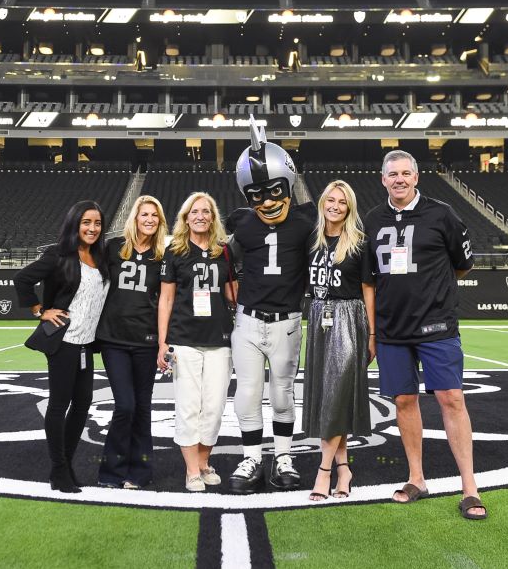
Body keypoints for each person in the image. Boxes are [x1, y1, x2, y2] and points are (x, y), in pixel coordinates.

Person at [362, 150, 487, 520]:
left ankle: (470, 488)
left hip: (435, 326)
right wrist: (372, 331)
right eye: (392, 174)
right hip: (392, 328)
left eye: (405, 173)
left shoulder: (442, 213)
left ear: (416, 177)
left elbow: (462, 265)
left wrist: (433, 294)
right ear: (383, 180)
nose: (399, 179)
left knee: (451, 398)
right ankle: (417, 477)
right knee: (403, 401)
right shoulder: (372, 219)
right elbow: (368, 279)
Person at [226, 116, 317, 494]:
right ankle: (251, 457)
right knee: (247, 392)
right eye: (256, 195)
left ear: (290, 184)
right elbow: (222, 263)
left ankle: (283, 456)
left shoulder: (306, 222)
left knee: (282, 392)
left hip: (288, 321)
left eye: (274, 190)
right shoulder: (242, 225)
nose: (266, 201)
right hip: (247, 322)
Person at [13, 200, 110, 493]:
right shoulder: (58, 255)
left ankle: (66, 464)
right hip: (64, 342)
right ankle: (58, 469)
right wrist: (40, 309)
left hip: (86, 344)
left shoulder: (101, 257)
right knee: (59, 405)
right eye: (86, 223)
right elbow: (22, 279)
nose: (92, 228)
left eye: (97, 223)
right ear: (75, 224)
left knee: (83, 405)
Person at [157, 192, 236, 492]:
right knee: (189, 406)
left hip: (219, 338)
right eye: (195, 211)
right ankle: (192, 470)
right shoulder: (174, 251)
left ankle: (204, 462)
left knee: (214, 407)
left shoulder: (224, 252)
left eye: (206, 211)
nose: (201, 216)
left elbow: (233, 294)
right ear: (186, 217)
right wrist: (163, 342)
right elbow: (165, 299)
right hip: (184, 338)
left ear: (213, 217)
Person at [302, 180, 372, 501]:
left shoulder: (358, 243)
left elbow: (369, 290)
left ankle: (324, 471)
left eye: (342, 202)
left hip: (348, 317)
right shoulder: (312, 241)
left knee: (335, 395)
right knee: (330, 397)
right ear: (322, 203)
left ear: (349, 208)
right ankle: (345, 468)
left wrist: (372, 332)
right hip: (318, 318)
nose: (335, 206)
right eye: (330, 200)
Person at [95, 196, 168, 489]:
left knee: (142, 407)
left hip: (146, 340)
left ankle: (140, 471)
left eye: (154, 215)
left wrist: (164, 342)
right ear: (134, 218)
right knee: (125, 405)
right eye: (144, 214)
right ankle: (111, 471)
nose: (149, 219)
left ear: (160, 221)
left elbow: (166, 300)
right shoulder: (113, 248)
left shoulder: (164, 255)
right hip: (114, 338)